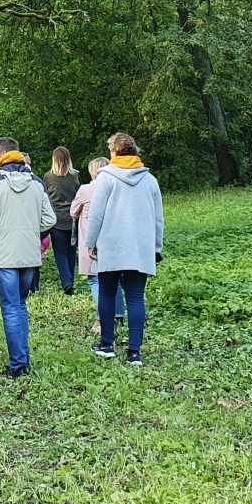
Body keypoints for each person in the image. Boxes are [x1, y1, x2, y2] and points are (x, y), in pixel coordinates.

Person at [84, 132, 164, 365]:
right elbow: (158, 219)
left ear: (114, 152)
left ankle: (107, 344)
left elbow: (95, 214)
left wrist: (91, 242)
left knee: (107, 293)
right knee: (136, 297)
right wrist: (156, 248)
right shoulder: (149, 180)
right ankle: (134, 353)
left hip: (111, 245)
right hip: (140, 247)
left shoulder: (105, 177)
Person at [0, 148, 57, 377]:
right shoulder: (36, 184)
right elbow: (50, 219)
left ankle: (17, 365)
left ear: (1, 164)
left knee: (10, 308)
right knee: (21, 305)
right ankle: (23, 359)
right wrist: (34, 234)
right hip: (29, 254)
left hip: (4, 255)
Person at [71, 157, 122, 333]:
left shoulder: (85, 189)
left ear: (92, 171)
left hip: (90, 242)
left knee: (95, 280)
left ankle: (101, 321)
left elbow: (73, 211)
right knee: (113, 281)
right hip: (112, 241)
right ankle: (117, 315)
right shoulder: (116, 188)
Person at [41, 146, 81, 294]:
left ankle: (66, 281)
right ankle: (70, 279)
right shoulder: (75, 175)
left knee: (59, 252)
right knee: (71, 251)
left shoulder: (48, 176)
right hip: (73, 218)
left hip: (56, 219)